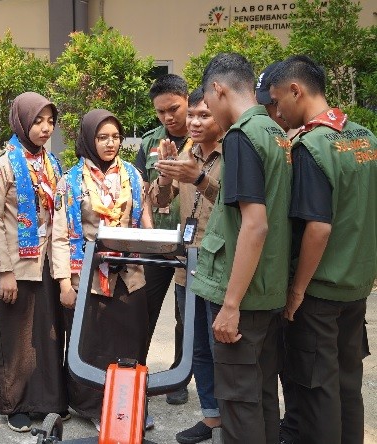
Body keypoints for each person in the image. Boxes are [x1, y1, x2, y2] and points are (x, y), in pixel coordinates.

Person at [269, 55, 377, 444]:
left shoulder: (311, 146)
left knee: (318, 390)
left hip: (319, 290)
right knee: (348, 383)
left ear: (296, 90)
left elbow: (317, 227)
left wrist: (296, 290)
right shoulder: (366, 137)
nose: (277, 111)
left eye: (279, 100)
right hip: (356, 285)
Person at [189, 52, 292, 444]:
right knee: (262, 393)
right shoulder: (276, 131)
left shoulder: (242, 137)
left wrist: (230, 305)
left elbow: (255, 223)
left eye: (207, 104)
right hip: (266, 288)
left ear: (218, 89)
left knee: (237, 398)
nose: (208, 113)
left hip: (243, 294)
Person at [52, 109, 151, 431]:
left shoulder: (133, 177)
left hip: (129, 274)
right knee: (92, 343)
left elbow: (144, 224)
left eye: (116, 137)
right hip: (90, 276)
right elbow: (61, 234)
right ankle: (93, 406)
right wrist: (65, 284)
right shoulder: (71, 181)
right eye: (102, 137)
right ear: (88, 140)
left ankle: (130, 404)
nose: (111, 144)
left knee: (129, 341)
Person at [0, 92, 67, 433]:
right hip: (15, 267)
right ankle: (15, 404)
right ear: (20, 122)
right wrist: (3, 272)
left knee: (46, 335)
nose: (45, 128)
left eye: (50, 121)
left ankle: (47, 401)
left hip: (46, 262)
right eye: (37, 121)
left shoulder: (52, 163)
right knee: (15, 337)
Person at [151, 87, 223, 443]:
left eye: (202, 115)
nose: (192, 122)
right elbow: (162, 202)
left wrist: (198, 177)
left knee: (222, 346)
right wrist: (165, 177)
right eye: (191, 115)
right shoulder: (186, 151)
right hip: (188, 262)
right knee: (198, 346)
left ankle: (237, 419)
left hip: (221, 266)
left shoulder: (234, 151)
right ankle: (211, 418)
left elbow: (238, 205)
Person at [134, 74, 193, 405]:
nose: (168, 117)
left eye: (174, 108)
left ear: (186, 98)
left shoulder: (203, 137)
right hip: (157, 239)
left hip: (190, 240)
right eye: (161, 112)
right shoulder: (149, 142)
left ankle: (179, 377)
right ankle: (133, 371)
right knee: (144, 307)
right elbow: (141, 189)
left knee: (185, 315)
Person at [255, 61, 300, 444]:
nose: (274, 113)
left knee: (301, 373)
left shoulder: (301, 144)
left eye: (274, 103)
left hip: (295, 279)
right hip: (286, 276)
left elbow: (257, 223)